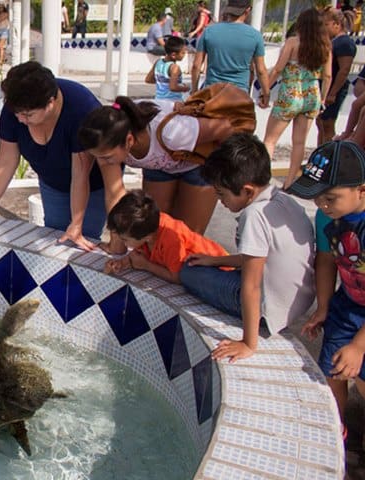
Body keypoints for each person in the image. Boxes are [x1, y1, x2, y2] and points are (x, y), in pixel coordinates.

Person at [179, 133, 315, 363]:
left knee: (188, 272)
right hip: (297, 302)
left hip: (268, 311)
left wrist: (248, 343)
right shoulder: (283, 199)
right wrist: (215, 261)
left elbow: (251, 285)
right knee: (207, 263)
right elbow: (260, 257)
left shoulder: (254, 215)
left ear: (248, 191)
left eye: (222, 194)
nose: (221, 201)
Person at [0, 61, 110, 249]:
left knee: (83, 238)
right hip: (52, 181)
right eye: (17, 113)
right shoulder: (16, 108)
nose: (20, 119)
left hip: (92, 183)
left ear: (50, 103)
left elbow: (80, 174)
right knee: (55, 237)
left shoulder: (81, 110)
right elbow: (7, 159)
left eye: (28, 115)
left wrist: (77, 223)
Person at [287, 140, 365, 438]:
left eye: (331, 198)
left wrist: (359, 346)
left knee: (360, 372)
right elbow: (327, 260)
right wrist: (324, 306)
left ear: (362, 189)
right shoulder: (328, 216)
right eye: (317, 198)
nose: (322, 205)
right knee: (333, 367)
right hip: (347, 304)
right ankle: (336, 429)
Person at [77, 96, 236, 237]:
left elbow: (226, 128)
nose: (102, 161)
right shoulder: (107, 144)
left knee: (186, 236)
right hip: (159, 166)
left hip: (197, 166)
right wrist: (117, 245)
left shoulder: (172, 133)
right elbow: (114, 193)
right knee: (153, 231)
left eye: (105, 157)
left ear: (129, 141)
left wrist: (223, 172)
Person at [262, 8, 332, 189]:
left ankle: (265, 180)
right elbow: (328, 76)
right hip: (312, 95)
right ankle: (289, 181)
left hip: (290, 94)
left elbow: (278, 69)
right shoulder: (325, 46)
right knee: (299, 142)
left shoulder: (293, 42)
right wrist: (323, 99)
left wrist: (266, 90)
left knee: (270, 140)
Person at [104, 189, 228, 283]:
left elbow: (178, 277)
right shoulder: (148, 224)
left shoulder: (171, 240)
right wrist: (121, 262)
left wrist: (146, 265)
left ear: (146, 237)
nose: (123, 242)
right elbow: (139, 252)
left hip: (223, 271)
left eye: (125, 240)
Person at [191, 0, 269, 101]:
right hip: (239, 95)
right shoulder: (255, 36)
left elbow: (196, 66)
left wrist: (194, 91)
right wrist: (266, 94)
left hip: (212, 93)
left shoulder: (209, 32)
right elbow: (261, 70)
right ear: (248, 10)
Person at [316, 7, 356, 145]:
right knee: (320, 122)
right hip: (326, 88)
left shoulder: (345, 43)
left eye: (326, 25)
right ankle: (319, 154)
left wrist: (332, 93)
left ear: (336, 24)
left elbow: (344, 70)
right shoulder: (333, 42)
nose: (324, 28)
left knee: (327, 123)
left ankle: (328, 157)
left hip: (335, 89)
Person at [145, 36, 190, 101]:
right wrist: (186, 88)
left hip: (158, 100)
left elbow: (148, 80)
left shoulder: (158, 62)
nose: (185, 54)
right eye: (182, 53)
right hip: (173, 102)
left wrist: (162, 83)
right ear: (173, 55)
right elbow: (173, 87)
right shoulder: (174, 67)